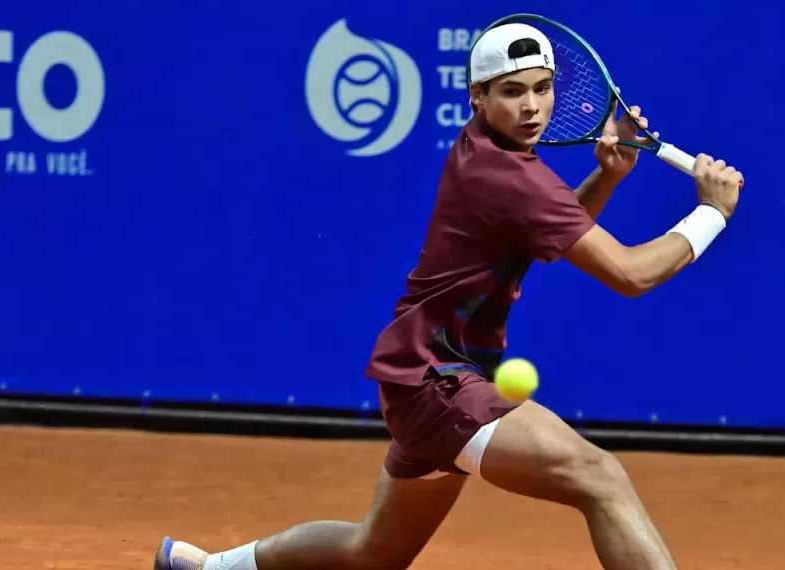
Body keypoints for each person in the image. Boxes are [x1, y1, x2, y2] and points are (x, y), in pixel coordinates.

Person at [154, 20, 743, 570]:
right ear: (477, 97)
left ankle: (208, 567)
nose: (532, 106)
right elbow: (631, 275)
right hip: (438, 381)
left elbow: (546, 235)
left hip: (421, 377)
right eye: (512, 91)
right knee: (600, 476)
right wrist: (711, 213)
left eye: (542, 88)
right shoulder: (513, 178)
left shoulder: (489, 154)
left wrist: (608, 176)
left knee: (373, 553)